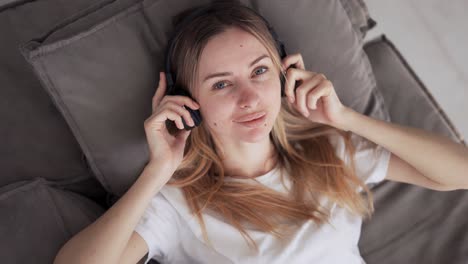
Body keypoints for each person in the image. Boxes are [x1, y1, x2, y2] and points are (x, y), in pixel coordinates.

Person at [54, 1, 468, 264]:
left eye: (259, 71)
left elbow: (460, 171)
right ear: (186, 101)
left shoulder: (327, 151)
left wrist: (346, 119)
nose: (250, 98)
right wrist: (159, 169)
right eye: (221, 84)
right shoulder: (175, 204)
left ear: (285, 72)